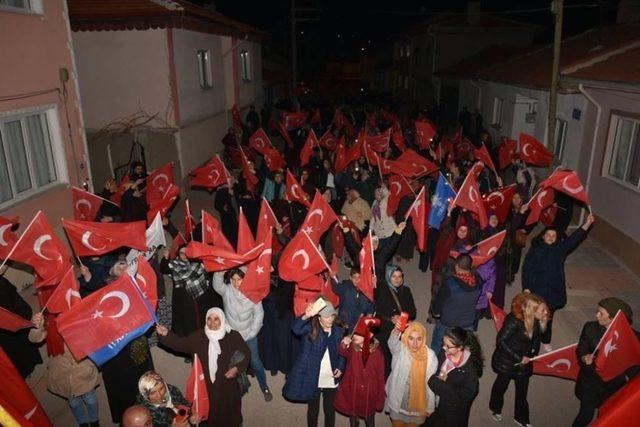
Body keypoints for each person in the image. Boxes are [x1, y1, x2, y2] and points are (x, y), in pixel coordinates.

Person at [157, 308, 251, 427]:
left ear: (222, 320)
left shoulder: (233, 336)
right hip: (206, 386)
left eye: (216, 319)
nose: (212, 323)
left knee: (230, 413)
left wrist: (237, 368)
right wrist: (166, 334)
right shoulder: (198, 337)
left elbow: (246, 353)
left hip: (228, 385)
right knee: (211, 413)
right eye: (209, 319)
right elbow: (180, 344)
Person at [522, 213, 595, 350]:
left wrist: (586, 224)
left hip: (554, 291)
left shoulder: (559, 250)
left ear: (556, 239)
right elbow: (527, 269)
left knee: (548, 318)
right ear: (543, 236)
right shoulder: (535, 250)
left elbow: (573, 239)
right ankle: (531, 340)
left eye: (553, 236)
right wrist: (526, 287)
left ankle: (545, 340)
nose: (550, 237)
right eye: (548, 235)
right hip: (538, 291)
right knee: (534, 317)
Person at [572, 298, 640, 427]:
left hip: (612, 387)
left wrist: (625, 377)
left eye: (601, 313)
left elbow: (636, 363)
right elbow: (581, 347)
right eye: (598, 311)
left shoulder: (634, 339)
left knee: (605, 415)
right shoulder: (590, 327)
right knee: (585, 414)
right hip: (589, 382)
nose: (596, 315)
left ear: (614, 318)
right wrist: (583, 357)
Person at [29, 312, 100, 427]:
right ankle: (82, 422)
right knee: (73, 402)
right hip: (62, 373)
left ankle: (94, 420)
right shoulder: (50, 322)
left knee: (90, 399)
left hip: (82, 370)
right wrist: (37, 326)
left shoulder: (79, 316)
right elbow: (34, 338)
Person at [489, 292, 548, 427]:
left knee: (522, 392)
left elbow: (535, 339)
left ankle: (521, 418)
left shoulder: (539, 321)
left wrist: (533, 354)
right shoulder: (514, 320)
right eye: (542, 310)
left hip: (525, 363)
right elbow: (501, 341)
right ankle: (495, 408)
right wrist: (519, 358)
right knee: (501, 386)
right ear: (531, 311)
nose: (546, 312)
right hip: (507, 362)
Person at [283, 300, 346, 427]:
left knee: (330, 410)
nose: (330, 319)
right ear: (318, 316)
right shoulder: (310, 329)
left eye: (332, 316)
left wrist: (340, 366)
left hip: (331, 376)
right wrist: (306, 316)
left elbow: (342, 352)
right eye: (326, 316)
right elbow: (295, 328)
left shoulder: (338, 330)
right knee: (313, 409)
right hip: (313, 376)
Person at [212, 269, 272, 401]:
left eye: (239, 279)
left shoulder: (253, 294)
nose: (236, 283)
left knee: (256, 363)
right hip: (231, 335)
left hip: (248, 336)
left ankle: (265, 387)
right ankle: (237, 388)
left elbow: (259, 315)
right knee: (232, 363)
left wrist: (251, 333)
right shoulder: (227, 291)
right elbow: (217, 285)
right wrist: (220, 271)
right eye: (233, 279)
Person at [334, 317, 385, 427]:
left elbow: (381, 377)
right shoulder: (353, 348)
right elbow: (342, 351)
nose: (355, 336)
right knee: (353, 419)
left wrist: (380, 400)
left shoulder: (377, 354)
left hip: (369, 393)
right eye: (355, 333)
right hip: (353, 390)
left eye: (359, 334)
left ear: (369, 335)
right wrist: (344, 344)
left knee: (369, 420)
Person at [385, 321, 437, 426]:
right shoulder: (400, 349)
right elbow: (392, 343)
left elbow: (430, 384)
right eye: (411, 338)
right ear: (406, 338)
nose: (415, 343)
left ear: (423, 338)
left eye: (419, 339)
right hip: (398, 403)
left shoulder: (430, 356)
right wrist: (397, 330)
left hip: (418, 407)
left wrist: (430, 406)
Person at [428, 327, 483, 427]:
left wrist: (439, 385)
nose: (444, 348)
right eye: (443, 343)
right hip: (440, 402)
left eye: (448, 346)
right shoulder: (445, 352)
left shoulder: (470, 370)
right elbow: (439, 370)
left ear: (460, 347)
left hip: (453, 410)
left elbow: (466, 395)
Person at [431, 254, 483, 354]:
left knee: (438, 343)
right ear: (470, 267)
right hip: (468, 322)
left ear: (456, 266)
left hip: (448, 322)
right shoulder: (479, 281)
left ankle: (433, 362)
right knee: (462, 347)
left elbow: (439, 302)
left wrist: (436, 312)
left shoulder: (449, 283)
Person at [161, 246, 215, 339]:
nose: (185, 255)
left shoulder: (199, 264)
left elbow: (209, 274)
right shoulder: (174, 264)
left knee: (204, 327)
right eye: (182, 253)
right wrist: (165, 258)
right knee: (189, 331)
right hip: (184, 305)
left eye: (187, 253)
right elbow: (164, 268)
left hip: (200, 302)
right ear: (178, 255)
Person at [0, 263, 43, 378]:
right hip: (8, 330)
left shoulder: (3, 282)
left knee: (20, 350)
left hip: (16, 326)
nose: (4, 267)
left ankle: (25, 371)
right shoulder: (2, 284)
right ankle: (24, 372)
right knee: (15, 353)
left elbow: (17, 302)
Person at [375, 265, 417, 377]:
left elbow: (413, 311)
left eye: (399, 276)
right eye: (394, 276)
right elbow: (377, 310)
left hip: (401, 331)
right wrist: (390, 318)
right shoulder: (381, 290)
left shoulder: (406, 291)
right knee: (385, 358)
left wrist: (402, 317)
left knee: (399, 356)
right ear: (388, 277)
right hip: (384, 330)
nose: (397, 279)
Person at [331, 267, 375, 332]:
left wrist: (370, 313)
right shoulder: (346, 287)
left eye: (359, 277)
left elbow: (370, 305)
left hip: (357, 327)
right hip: (343, 325)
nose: (357, 280)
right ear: (350, 278)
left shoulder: (366, 292)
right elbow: (336, 288)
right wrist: (333, 278)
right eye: (354, 277)